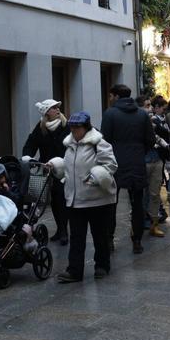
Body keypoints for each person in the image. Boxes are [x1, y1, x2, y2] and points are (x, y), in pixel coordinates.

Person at [54, 112, 118, 281]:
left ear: (86, 127)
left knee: (100, 235)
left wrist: (96, 177)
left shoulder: (99, 143)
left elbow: (111, 165)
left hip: (98, 199)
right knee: (76, 237)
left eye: (78, 127)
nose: (74, 130)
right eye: (72, 127)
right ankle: (74, 271)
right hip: (75, 200)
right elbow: (69, 169)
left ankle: (102, 266)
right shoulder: (69, 145)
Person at [101, 85, 153, 249]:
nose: (109, 99)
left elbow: (105, 140)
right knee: (137, 204)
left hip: (115, 163)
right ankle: (137, 240)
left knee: (111, 202)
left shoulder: (110, 114)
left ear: (116, 96)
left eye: (110, 96)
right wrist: (139, 152)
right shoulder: (142, 114)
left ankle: (109, 239)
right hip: (137, 162)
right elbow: (150, 140)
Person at [22, 100, 70, 245]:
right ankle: (60, 229)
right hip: (46, 168)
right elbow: (30, 144)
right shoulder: (41, 127)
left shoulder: (65, 126)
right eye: (54, 108)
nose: (57, 110)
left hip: (63, 168)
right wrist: (28, 157)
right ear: (47, 112)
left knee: (61, 199)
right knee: (53, 200)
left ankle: (63, 231)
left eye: (57, 107)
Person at [144, 95, 170, 235]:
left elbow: (159, 137)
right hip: (144, 161)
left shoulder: (153, 122)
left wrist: (165, 145)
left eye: (151, 105)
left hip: (156, 160)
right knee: (143, 194)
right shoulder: (140, 123)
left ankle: (153, 223)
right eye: (147, 106)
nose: (151, 109)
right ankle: (141, 221)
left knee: (155, 193)